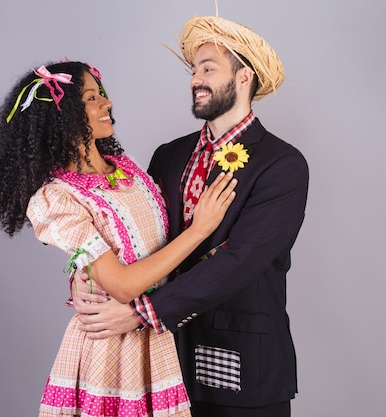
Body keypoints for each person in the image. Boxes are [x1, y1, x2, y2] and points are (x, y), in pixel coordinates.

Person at [72, 15, 309, 417]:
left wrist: (138, 313)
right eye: (194, 70)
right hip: (162, 360)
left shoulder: (282, 164)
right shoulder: (169, 154)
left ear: (244, 77)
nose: (195, 79)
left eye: (208, 69)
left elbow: (239, 262)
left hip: (241, 366)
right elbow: (130, 231)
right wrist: (86, 274)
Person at [0, 60, 237, 417]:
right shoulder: (57, 199)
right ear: (62, 115)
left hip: (152, 335)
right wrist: (200, 230)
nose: (107, 104)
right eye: (90, 98)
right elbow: (123, 285)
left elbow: (137, 250)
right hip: (110, 350)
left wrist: (80, 276)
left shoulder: (127, 167)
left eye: (102, 94)